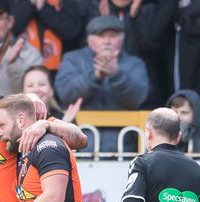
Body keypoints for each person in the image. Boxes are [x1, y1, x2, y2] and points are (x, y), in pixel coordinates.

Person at [54, 14, 149, 153]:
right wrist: (95, 76)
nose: (107, 41)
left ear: (122, 39)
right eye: (101, 36)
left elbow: (138, 97)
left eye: (112, 35)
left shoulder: (134, 64)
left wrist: (116, 74)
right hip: (80, 146)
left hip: (123, 147)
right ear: (89, 40)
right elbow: (65, 93)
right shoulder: (72, 60)